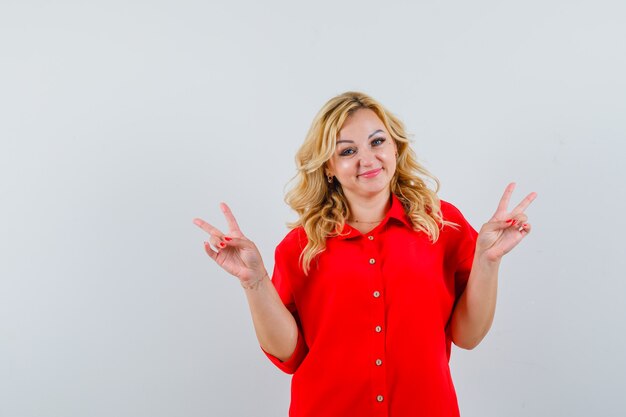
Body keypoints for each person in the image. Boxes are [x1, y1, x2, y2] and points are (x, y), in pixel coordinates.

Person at [193, 91, 536, 417]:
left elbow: (468, 336)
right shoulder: (300, 246)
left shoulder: (443, 225)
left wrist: (489, 262)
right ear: (328, 167)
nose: (367, 159)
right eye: (346, 151)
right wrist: (254, 283)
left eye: (377, 141)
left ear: (395, 146)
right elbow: (288, 353)